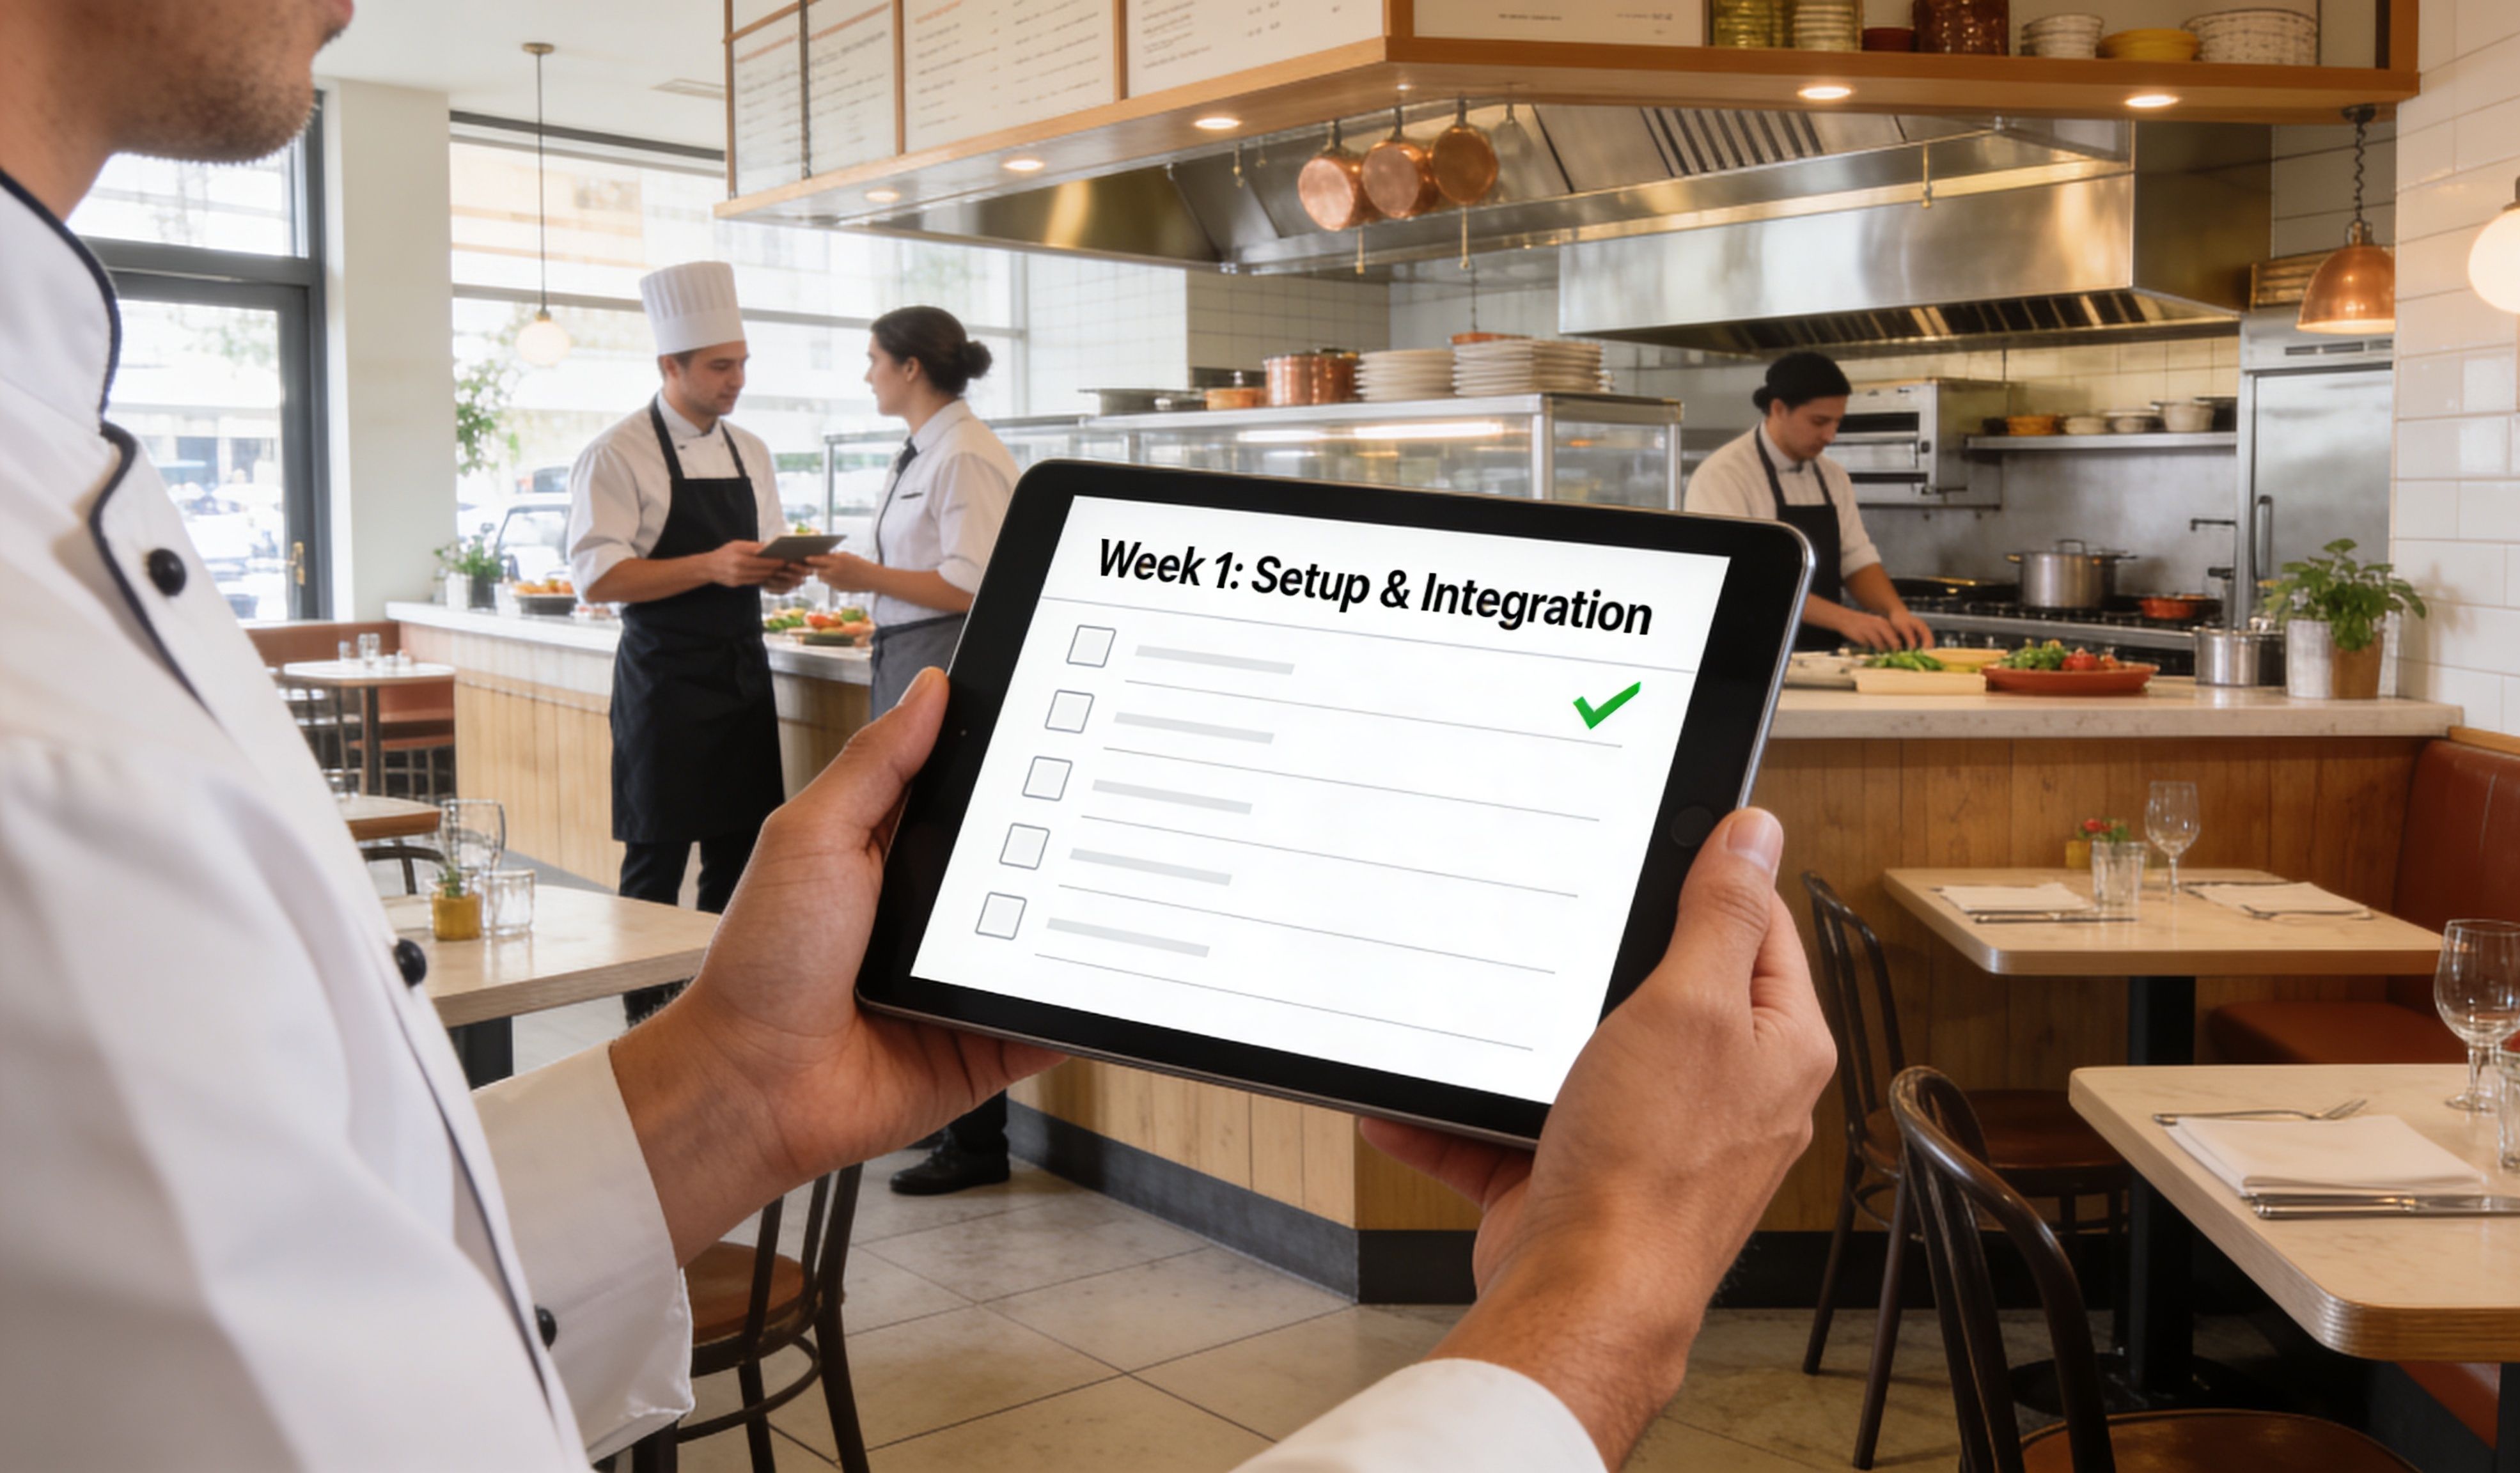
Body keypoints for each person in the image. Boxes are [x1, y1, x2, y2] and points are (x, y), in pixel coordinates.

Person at [0, 3, 1835, 1467]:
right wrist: (1594, 1317)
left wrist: (732, 1085)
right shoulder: (43, 739)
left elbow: (327, 1306)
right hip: (676, 676)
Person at [806, 304, 1022, 1196]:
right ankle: (938, 1116)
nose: (866, 376)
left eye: (871, 361)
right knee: (912, 891)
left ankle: (978, 1142)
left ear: (909, 367)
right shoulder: (927, 448)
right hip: (905, 659)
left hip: (940, 665)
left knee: (938, 895)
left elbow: (973, 581)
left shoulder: (965, 452)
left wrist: (862, 578)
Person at [566, 261, 807, 1024]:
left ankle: (715, 1022)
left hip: (741, 674)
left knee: (739, 862)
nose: (736, 380)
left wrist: (775, 573)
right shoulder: (616, 453)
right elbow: (598, 580)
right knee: (655, 865)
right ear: (669, 366)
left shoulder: (753, 450)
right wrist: (711, 564)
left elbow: (756, 553)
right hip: (664, 681)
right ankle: (644, 1030)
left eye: (740, 363)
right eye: (719, 366)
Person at [1685, 351, 1934, 653]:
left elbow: (1856, 558)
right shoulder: (1725, 475)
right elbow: (1743, 578)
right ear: (1778, 409)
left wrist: (1896, 612)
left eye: (1837, 423)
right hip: (1748, 657)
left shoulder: (1833, 476)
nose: (1830, 436)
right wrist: (1845, 619)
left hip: (1821, 656)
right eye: (1819, 422)